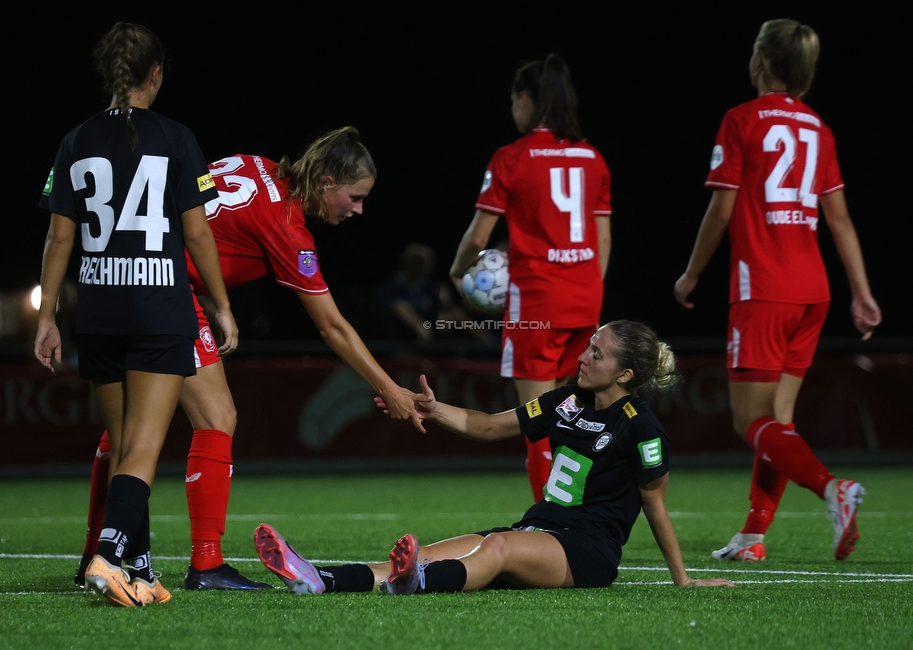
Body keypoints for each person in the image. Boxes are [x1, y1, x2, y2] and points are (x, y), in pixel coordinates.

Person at [74, 126, 424, 591]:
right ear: (326, 184)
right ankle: (206, 564)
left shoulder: (254, 164)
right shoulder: (286, 224)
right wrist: (389, 388)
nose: (358, 209)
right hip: (167, 287)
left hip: (116, 270)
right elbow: (332, 326)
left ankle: (95, 553)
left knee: (123, 430)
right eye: (355, 197)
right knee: (216, 416)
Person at [252, 321, 734, 594]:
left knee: (496, 549)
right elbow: (487, 425)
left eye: (598, 354)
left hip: (587, 551)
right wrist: (436, 409)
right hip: (539, 529)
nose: (584, 357)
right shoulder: (564, 400)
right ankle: (319, 578)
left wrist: (683, 580)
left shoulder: (643, 427)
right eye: (588, 347)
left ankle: (417, 584)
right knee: (434, 550)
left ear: (625, 374)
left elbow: (655, 506)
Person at [35, 22, 238, 607]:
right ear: (156, 74)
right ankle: (108, 555)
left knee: (123, 445)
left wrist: (47, 315)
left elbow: (57, 239)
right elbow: (197, 234)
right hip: (157, 308)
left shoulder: (75, 140)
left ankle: (140, 569)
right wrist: (222, 307)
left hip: (98, 312)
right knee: (144, 452)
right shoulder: (177, 137)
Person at [673, 19, 882, 562]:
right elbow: (839, 220)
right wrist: (861, 291)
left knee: (750, 421)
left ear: (761, 62)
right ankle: (753, 534)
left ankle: (832, 487)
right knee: (778, 423)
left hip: (763, 288)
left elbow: (721, 210)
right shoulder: (818, 127)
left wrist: (691, 274)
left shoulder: (740, 120)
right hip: (814, 288)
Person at [449, 54, 612, 502]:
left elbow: (478, 235)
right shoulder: (593, 157)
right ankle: (582, 512)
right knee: (574, 415)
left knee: (535, 420)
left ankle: (551, 529)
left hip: (538, 303)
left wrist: (459, 270)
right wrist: (588, 290)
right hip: (586, 300)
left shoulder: (512, 158)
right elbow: (603, 240)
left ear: (525, 99)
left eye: (513, 100)